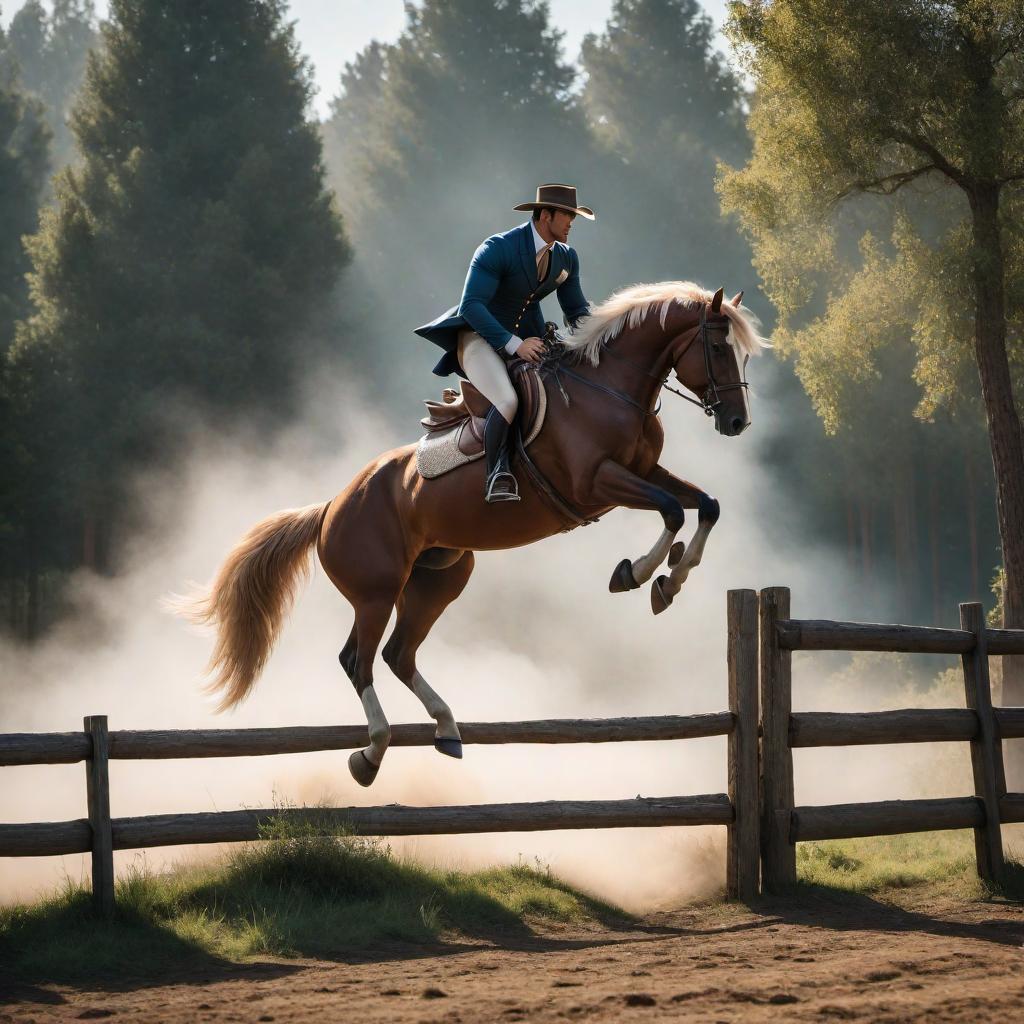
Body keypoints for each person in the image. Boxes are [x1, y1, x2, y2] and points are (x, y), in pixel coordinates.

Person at [415, 183, 594, 502]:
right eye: (567, 215)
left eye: (573, 216)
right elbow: (471, 306)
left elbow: (577, 311)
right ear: (545, 215)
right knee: (508, 401)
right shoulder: (498, 248)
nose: (571, 222)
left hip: (528, 338)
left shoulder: (566, 258)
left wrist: (603, 335)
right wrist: (514, 344)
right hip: (480, 338)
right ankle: (496, 474)